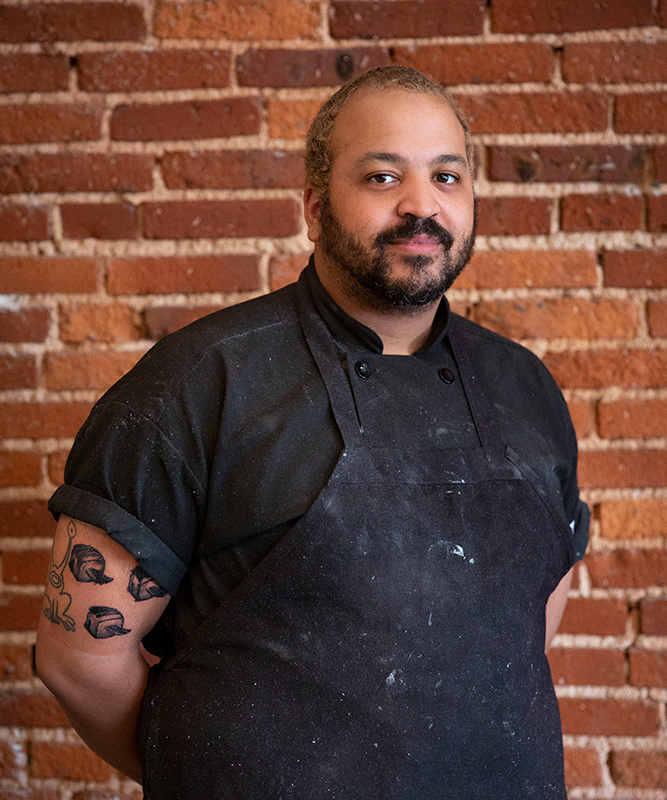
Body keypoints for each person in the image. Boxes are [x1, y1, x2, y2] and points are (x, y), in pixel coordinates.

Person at [36, 66, 589, 799]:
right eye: (382, 176)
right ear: (313, 207)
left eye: (446, 177)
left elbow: (534, 608)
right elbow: (79, 659)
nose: (421, 204)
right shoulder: (197, 383)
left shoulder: (524, 386)